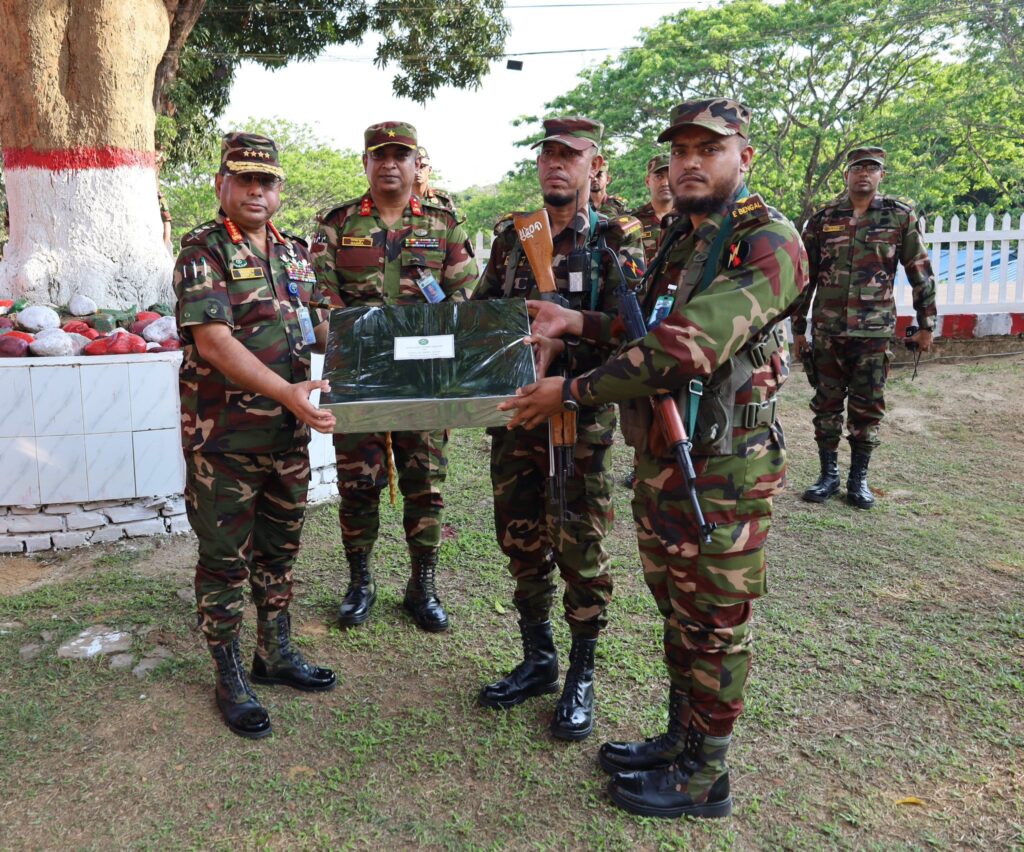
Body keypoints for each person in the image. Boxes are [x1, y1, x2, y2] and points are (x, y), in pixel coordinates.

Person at [499, 99, 808, 818]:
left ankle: (708, 777)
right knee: (678, 610)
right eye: (681, 150)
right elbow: (642, 327)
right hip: (664, 455)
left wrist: (572, 389)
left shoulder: (768, 242)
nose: (691, 162)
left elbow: (686, 345)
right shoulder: (681, 239)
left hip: (723, 467)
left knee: (715, 620)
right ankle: (680, 740)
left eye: (710, 148)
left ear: (745, 158)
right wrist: (579, 320)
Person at [472, 116, 646, 740]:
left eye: (570, 156)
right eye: (547, 154)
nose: (556, 165)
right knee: (521, 540)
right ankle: (537, 658)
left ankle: (581, 672)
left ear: (594, 167)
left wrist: (572, 333)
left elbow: (642, 333)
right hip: (518, 415)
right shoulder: (514, 238)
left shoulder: (618, 242)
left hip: (581, 418)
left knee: (580, 548)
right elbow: (484, 318)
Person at [174, 132, 338, 740]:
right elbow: (214, 343)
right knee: (224, 563)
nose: (255, 190)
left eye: (266, 181)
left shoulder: (295, 255)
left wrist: (390, 348)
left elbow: (319, 328)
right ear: (223, 184)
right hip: (225, 441)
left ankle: (274, 654)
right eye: (244, 179)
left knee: (279, 552)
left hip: (287, 438)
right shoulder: (203, 252)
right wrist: (288, 392)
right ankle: (228, 674)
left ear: (279, 190)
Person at [311, 122, 479, 632]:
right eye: (379, 155)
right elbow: (321, 296)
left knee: (425, 483)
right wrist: (364, 340)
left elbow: (463, 297)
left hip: (424, 379)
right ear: (365, 163)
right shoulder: (337, 225)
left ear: (414, 163)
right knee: (358, 482)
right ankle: (360, 581)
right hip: (360, 376)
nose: (389, 163)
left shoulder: (443, 223)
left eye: (399, 155)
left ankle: (421, 585)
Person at [792, 146, 936, 509]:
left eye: (872, 169)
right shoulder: (824, 218)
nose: (864, 174)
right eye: (858, 168)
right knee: (825, 405)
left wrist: (926, 324)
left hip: (873, 333)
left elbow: (919, 271)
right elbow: (803, 277)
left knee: (867, 407)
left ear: (881, 176)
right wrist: (797, 328)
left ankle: (858, 479)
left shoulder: (898, 217)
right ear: (847, 175)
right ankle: (827, 475)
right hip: (827, 330)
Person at [630, 154, 674, 264]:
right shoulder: (633, 221)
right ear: (647, 181)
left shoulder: (688, 220)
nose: (665, 183)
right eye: (659, 177)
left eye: (670, 176)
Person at [413, 145, 461, 220]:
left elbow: (453, 229)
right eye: (414, 166)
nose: (418, 171)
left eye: (422, 166)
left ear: (430, 170)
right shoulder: (396, 199)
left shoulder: (443, 200)